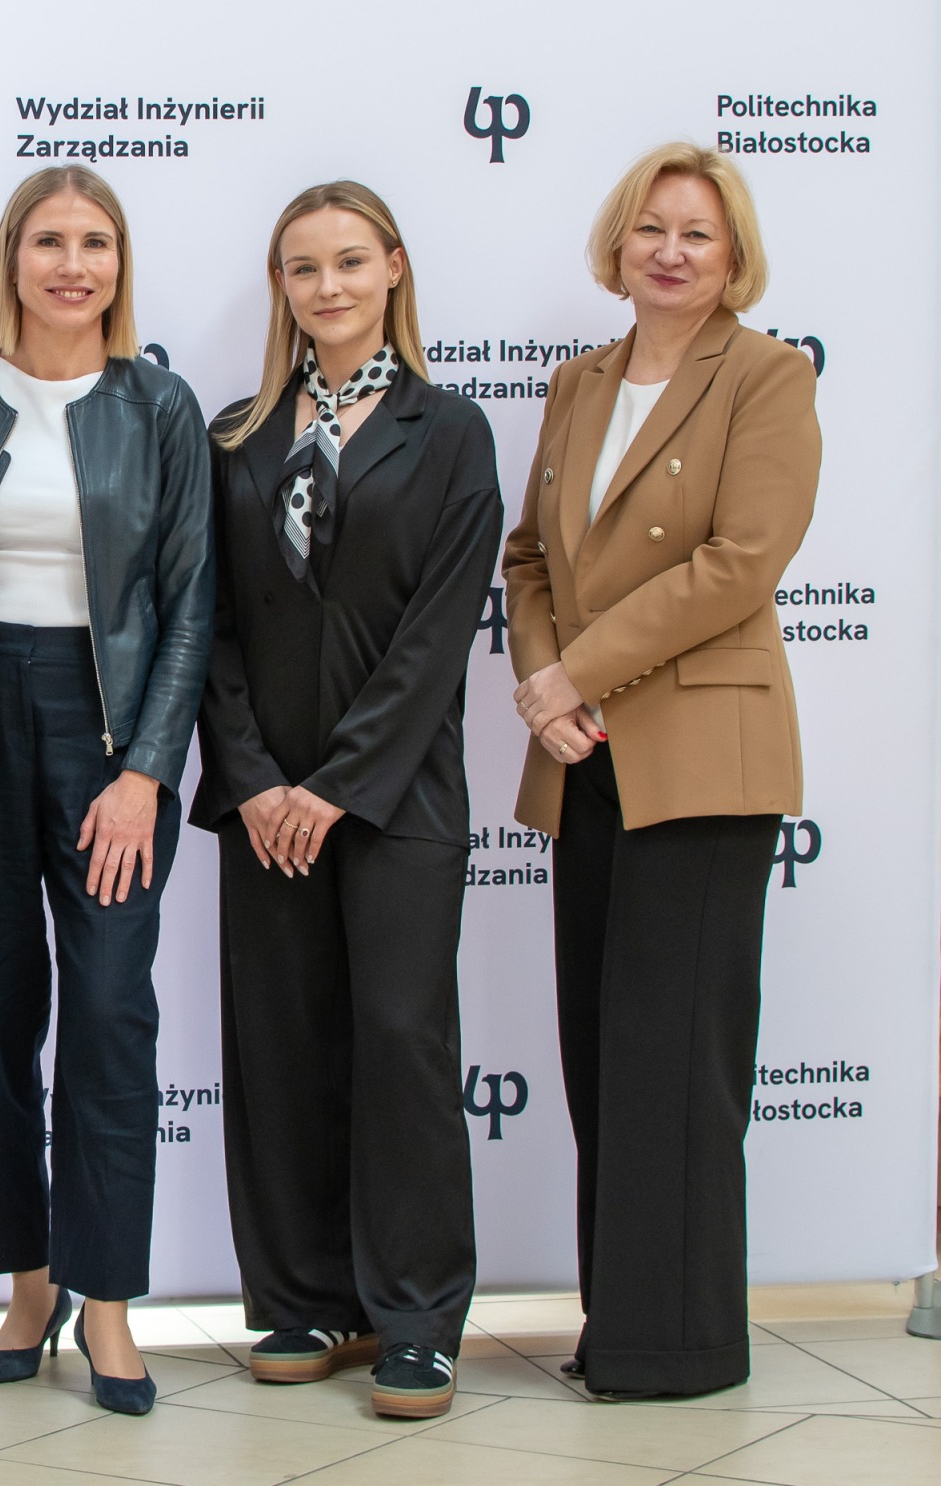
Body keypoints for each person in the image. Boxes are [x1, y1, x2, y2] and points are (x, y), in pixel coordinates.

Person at [503, 142, 818, 1401]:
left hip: (699, 759)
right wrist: (544, 680)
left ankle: (680, 1344)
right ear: (617, 244)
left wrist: (576, 673)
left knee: (677, 1061)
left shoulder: (767, 374)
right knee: (599, 1053)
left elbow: (740, 561)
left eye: (695, 232)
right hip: (583, 755)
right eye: (649, 228)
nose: (669, 251)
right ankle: (619, 1320)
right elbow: (529, 558)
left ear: (731, 253)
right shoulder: (577, 382)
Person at [0, 166, 212, 1417]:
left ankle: (110, 1302)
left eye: (94, 242)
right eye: (47, 241)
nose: (70, 265)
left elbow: (188, 603)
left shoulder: (159, 405)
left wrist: (144, 771)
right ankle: (27, 1283)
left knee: (110, 1016)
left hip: (106, 727)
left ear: (118, 264)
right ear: (10, 258)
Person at [191, 182, 500, 1421]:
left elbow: (435, 639)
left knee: (401, 1046)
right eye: (301, 267)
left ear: (393, 270)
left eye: (348, 262)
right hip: (263, 805)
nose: (326, 287)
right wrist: (256, 781)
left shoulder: (450, 430)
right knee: (279, 1046)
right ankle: (301, 1297)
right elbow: (206, 624)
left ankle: (415, 1316)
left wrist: (334, 787)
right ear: (279, 285)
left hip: (393, 798)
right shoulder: (234, 435)